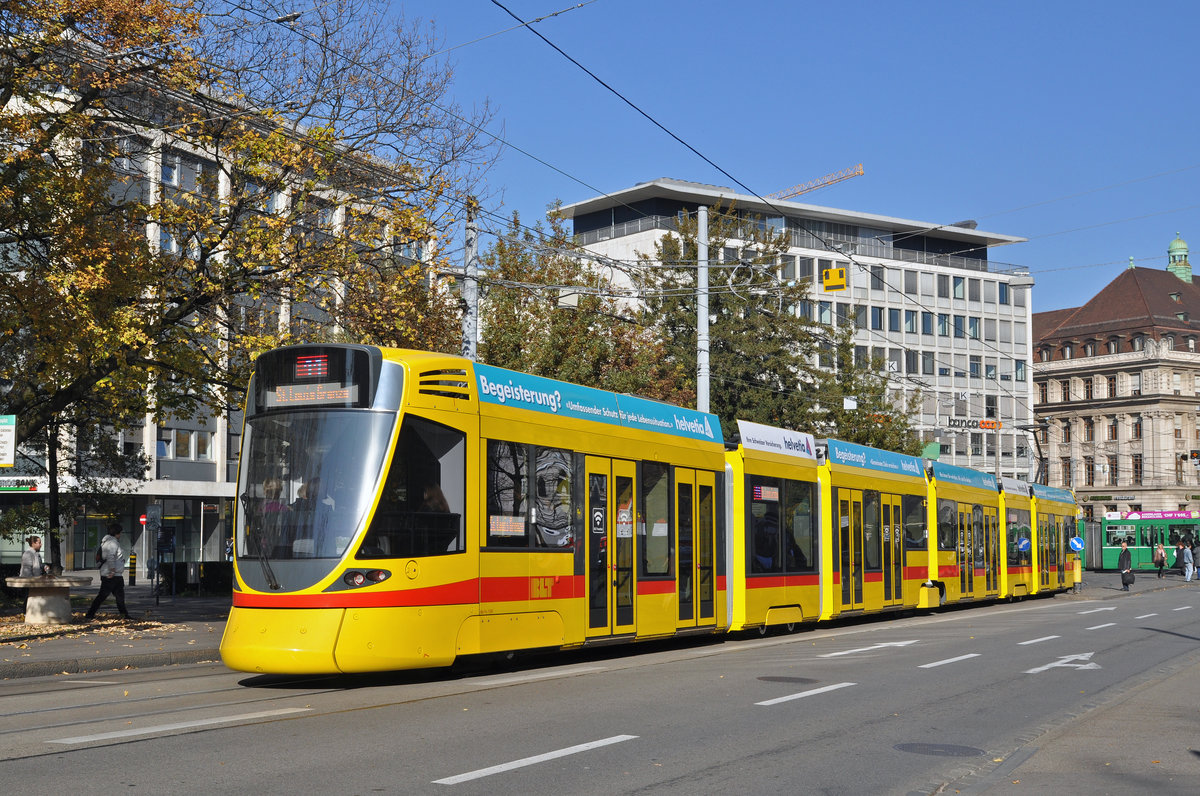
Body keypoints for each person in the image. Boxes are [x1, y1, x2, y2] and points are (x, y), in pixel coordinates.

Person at [85, 522, 131, 620]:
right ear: (117, 533)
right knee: (103, 595)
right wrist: (112, 571)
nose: (121, 535)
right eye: (120, 533)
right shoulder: (112, 543)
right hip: (111, 575)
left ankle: (124, 615)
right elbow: (110, 557)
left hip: (114, 574)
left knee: (119, 596)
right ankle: (90, 614)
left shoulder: (108, 542)